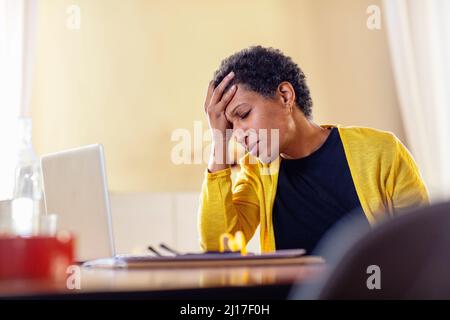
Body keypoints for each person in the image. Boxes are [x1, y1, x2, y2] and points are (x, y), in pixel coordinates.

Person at [198, 46, 429, 253]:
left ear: (285, 96)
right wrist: (219, 141)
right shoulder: (256, 171)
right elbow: (220, 246)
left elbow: (421, 246)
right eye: (231, 127)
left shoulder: (382, 151)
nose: (238, 134)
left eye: (244, 114)